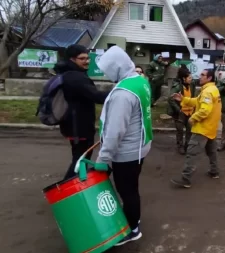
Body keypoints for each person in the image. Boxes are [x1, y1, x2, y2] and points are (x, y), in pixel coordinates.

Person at [96, 46, 153, 246]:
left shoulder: (122, 93)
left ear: (116, 67)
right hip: (140, 145)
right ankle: (132, 221)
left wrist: (103, 158)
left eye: (107, 69)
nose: (106, 73)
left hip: (127, 152)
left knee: (127, 190)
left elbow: (115, 131)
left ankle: (132, 229)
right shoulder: (139, 81)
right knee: (131, 188)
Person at [54, 44, 109, 180]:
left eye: (88, 58)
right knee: (80, 161)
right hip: (79, 127)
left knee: (79, 158)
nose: (87, 61)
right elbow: (96, 96)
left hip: (74, 125)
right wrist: (119, 91)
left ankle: (72, 187)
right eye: (82, 58)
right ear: (71, 59)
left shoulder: (71, 74)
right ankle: (65, 191)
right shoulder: (75, 78)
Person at [170, 69, 221, 188]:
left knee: (192, 152)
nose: (200, 76)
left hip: (202, 128)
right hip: (211, 128)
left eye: (203, 75)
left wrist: (193, 118)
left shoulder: (207, 92)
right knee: (212, 151)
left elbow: (204, 110)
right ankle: (214, 172)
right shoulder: (212, 89)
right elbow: (198, 102)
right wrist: (183, 99)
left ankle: (185, 179)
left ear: (209, 78)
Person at [167, 68, 197, 155]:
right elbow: (170, 99)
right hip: (180, 113)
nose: (191, 79)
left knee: (189, 130)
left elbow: (193, 96)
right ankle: (180, 146)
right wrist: (178, 109)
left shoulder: (192, 85)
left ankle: (187, 146)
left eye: (191, 77)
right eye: (189, 78)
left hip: (190, 112)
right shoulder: (177, 86)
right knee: (180, 131)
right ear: (184, 78)